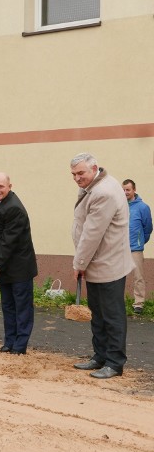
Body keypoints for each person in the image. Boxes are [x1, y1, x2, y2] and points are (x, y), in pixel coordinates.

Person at [71, 153, 133, 379]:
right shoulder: (93, 186)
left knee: (112, 315)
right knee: (98, 314)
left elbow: (92, 233)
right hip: (97, 263)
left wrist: (79, 262)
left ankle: (115, 362)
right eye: (74, 174)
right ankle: (100, 356)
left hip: (108, 264)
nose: (77, 178)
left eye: (81, 173)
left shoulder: (103, 192)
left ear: (94, 168)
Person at [0, 172, 37, 355]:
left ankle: (20, 346)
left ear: (10, 186)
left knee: (21, 307)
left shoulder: (14, 207)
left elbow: (9, 242)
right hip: (5, 265)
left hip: (19, 266)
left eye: (1, 186)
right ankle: (10, 341)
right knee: (8, 305)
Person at [122, 179, 152, 314]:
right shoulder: (119, 205)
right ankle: (117, 302)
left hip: (135, 248)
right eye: (123, 189)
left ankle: (138, 303)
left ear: (134, 190)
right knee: (117, 276)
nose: (125, 192)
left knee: (138, 276)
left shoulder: (143, 207)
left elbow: (148, 228)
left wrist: (140, 241)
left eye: (128, 190)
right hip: (120, 248)